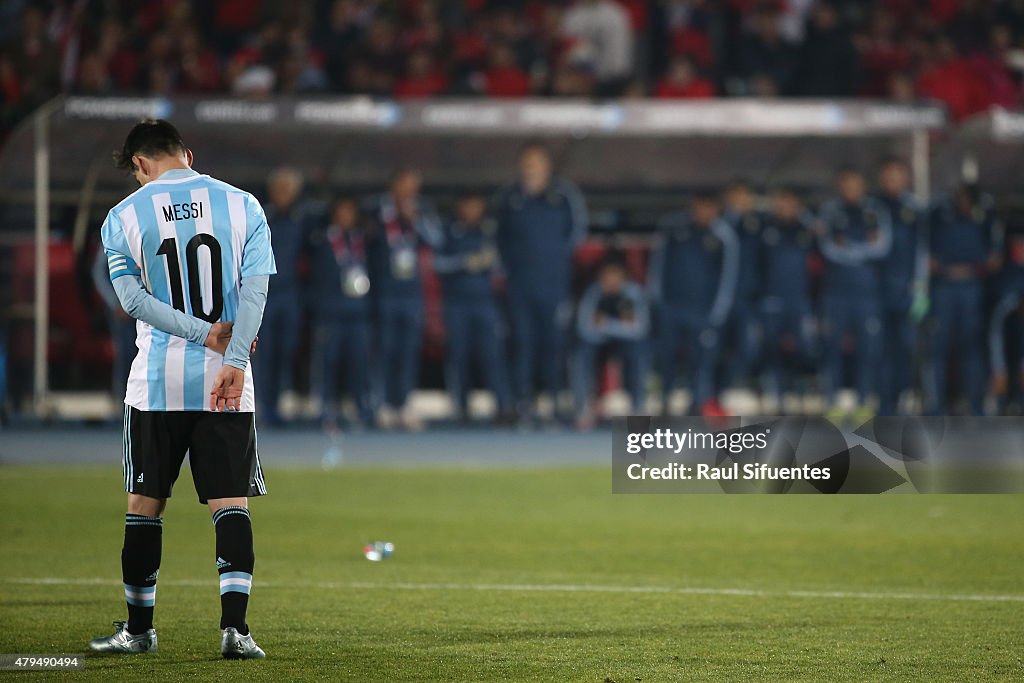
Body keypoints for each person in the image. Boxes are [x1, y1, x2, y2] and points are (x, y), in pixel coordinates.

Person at [89, 119, 272, 659]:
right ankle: (235, 631)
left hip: (157, 384)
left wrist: (198, 332)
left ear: (140, 165)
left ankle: (139, 631)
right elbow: (255, 291)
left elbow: (133, 302)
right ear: (187, 154)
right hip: (226, 382)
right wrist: (234, 356)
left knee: (144, 504)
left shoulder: (124, 216)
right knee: (230, 503)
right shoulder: (244, 205)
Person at [492, 142, 587, 425]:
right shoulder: (509, 197)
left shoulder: (564, 195)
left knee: (554, 345)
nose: (531, 167)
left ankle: (556, 403)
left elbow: (576, 234)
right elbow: (498, 238)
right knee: (522, 344)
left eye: (537, 162)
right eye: (527, 162)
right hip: (520, 285)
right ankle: (523, 403)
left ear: (547, 165)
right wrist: (513, 268)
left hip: (554, 284)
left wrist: (553, 260)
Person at [650, 192, 739, 416]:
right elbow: (658, 267)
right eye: (700, 207)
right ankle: (665, 401)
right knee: (667, 356)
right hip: (672, 306)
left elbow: (727, 278)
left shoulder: (723, 236)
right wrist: (659, 302)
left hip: (702, 310)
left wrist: (716, 313)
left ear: (716, 209)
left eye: (708, 208)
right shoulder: (674, 228)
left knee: (700, 359)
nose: (703, 213)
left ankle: (697, 404)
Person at [366, 167, 441, 430]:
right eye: (405, 185)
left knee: (408, 351)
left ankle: (403, 403)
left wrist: (415, 221)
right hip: (384, 292)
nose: (410, 191)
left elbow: (436, 240)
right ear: (394, 185)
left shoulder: (422, 211)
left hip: (411, 294)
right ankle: (382, 404)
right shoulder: (376, 210)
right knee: (385, 350)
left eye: (414, 186)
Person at [433, 194, 513, 423]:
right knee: (459, 355)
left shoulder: (489, 232)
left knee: (492, 355)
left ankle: (501, 405)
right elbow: (437, 264)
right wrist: (464, 261)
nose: (471, 210)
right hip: (457, 303)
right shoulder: (449, 231)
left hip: (485, 302)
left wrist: (491, 262)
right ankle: (461, 407)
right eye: (467, 205)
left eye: (476, 206)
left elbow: (502, 268)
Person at [818, 167, 891, 418]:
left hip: (866, 292)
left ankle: (863, 402)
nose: (851, 190)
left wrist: (849, 248)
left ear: (863, 186)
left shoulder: (875, 211)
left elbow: (882, 247)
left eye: (855, 185)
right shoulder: (830, 212)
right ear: (840, 186)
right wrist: (861, 249)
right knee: (832, 347)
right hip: (836, 292)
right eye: (846, 185)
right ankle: (833, 403)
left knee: (868, 348)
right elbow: (826, 247)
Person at [926, 183, 1002, 415]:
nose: (965, 205)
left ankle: (976, 405)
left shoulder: (985, 214)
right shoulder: (939, 213)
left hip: (972, 287)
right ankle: (935, 406)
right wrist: (942, 268)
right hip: (943, 287)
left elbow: (995, 257)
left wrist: (973, 270)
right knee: (937, 347)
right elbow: (926, 252)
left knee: (972, 348)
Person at [309, 196, 374, 428]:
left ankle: (361, 406)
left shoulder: (361, 239)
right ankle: (326, 406)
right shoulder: (323, 239)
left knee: (359, 361)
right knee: (329, 361)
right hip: (331, 313)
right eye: (342, 212)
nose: (346, 217)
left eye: (350, 212)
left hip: (358, 312)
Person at [254, 166, 308, 426]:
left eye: (290, 190)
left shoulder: (303, 219)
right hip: (263, 295)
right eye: (281, 189)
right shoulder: (259, 216)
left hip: (291, 295)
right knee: (263, 353)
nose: (285, 194)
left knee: (286, 351)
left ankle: (278, 404)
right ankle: (262, 407)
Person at [573, 255, 650, 430]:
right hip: (597, 342)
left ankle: (638, 407)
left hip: (625, 343)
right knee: (581, 353)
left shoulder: (633, 293)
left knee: (639, 352)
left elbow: (640, 329)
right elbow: (584, 327)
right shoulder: (594, 293)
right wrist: (620, 326)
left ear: (623, 277)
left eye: (614, 276)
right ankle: (584, 407)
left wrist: (606, 324)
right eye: (606, 276)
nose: (610, 281)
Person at [876, 158, 928, 415]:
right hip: (877, 292)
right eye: (887, 176)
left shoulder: (916, 210)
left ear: (906, 179)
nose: (892, 181)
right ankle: (885, 405)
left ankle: (905, 399)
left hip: (908, 291)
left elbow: (923, 252)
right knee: (880, 349)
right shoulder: (874, 207)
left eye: (897, 176)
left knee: (908, 348)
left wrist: (920, 290)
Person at [758, 187, 818, 410]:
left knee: (804, 347)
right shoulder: (766, 229)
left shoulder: (806, 230)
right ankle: (776, 392)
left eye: (790, 203)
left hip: (799, 299)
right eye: (781, 202)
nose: (785, 207)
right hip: (772, 297)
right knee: (771, 347)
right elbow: (757, 264)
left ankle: (798, 387)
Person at [721, 179, 764, 390]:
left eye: (745, 196)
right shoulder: (718, 224)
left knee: (748, 346)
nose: (741, 201)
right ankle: (713, 396)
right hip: (718, 298)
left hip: (748, 296)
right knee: (716, 348)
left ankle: (732, 387)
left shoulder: (759, 225)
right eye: (736, 196)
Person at [91, 245, 138, 407]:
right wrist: (116, 303)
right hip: (121, 311)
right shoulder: (113, 233)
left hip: (143, 307)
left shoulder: (144, 230)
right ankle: (122, 400)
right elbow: (99, 274)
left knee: (141, 353)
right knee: (125, 353)